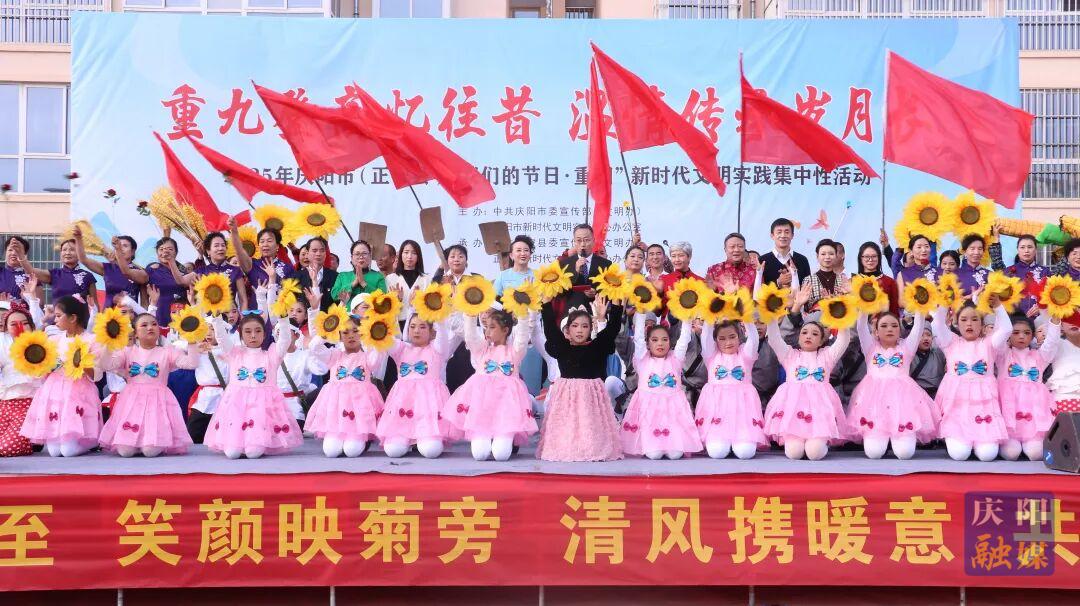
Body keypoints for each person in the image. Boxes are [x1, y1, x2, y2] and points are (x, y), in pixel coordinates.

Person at [762, 284, 851, 461]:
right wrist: (772, 311)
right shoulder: (789, 355)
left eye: (815, 334)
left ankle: (819, 442)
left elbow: (844, 338)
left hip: (819, 414)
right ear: (799, 337)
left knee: (815, 453)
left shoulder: (827, 356)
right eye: (804, 332)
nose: (808, 336)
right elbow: (773, 337)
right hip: (793, 413)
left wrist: (838, 310)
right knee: (793, 453)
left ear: (822, 340)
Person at [97, 313, 200, 457]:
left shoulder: (168, 352)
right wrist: (108, 342)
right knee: (125, 452)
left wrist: (192, 341)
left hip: (157, 402)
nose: (150, 327)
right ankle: (135, 441)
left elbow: (192, 363)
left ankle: (151, 440)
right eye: (144, 325)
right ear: (135, 333)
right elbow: (105, 365)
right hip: (132, 402)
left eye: (154, 324)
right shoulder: (127, 352)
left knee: (150, 451)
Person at [203, 311, 301, 459]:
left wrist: (283, 318)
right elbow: (221, 338)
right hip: (237, 407)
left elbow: (285, 339)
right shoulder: (234, 353)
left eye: (258, 331)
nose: (253, 336)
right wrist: (216, 319)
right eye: (248, 332)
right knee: (232, 454)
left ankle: (256, 443)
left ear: (265, 334)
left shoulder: (272, 355)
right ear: (241, 335)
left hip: (262, 409)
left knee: (253, 453)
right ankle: (238, 442)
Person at [442, 309, 537, 462]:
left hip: (506, 410)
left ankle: (505, 438)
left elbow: (523, 336)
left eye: (492, 327)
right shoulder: (482, 350)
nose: (487, 331)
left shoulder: (515, 351)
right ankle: (486, 437)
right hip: (482, 410)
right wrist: (470, 314)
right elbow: (471, 336)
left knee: (501, 455)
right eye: (486, 327)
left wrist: (524, 314)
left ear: (505, 330)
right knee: (480, 455)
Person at [536, 296, 624, 462]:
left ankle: (592, 448)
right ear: (567, 330)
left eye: (584, 326)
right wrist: (546, 304)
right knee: (567, 427)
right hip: (566, 397)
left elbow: (612, 329)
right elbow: (550, 329)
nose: (579, 330)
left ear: (591, 329)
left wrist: (616, 305)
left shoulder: (596, 348)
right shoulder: (562, 348)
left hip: (591, 398)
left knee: (590, 427)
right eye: (575, 326)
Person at [846, 311, 939, 459]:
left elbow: (918, 325)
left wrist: (920, 307)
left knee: (905, 453)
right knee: (874, 453)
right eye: (884, 326)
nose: (889, 329)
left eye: (894, 326)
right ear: (876, 331)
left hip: (903, 405)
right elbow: (861, 326)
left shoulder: (907, 347)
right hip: (873, 405)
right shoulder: (870, 347)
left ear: (900, 330)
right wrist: (865, 305)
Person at [19, 295, 103, 457]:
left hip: (78, 390)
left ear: (72, 318)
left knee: (68, 451)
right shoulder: (54, 340)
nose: (55, 319)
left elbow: (96, 374)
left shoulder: (91, 340)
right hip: (54, 389)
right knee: (54, 452)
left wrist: (80, 362)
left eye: (58, 316)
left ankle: (90, 442)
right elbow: (43, 369)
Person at [931, 296, 1011, 461]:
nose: (969, 324)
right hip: (956, 409)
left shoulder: (989, 343)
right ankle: (959, 440)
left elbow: (1006, 329)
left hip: (984, 408)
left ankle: (979, 442)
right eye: (964, 319)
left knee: (988, 455)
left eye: (975, 319)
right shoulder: (950, 342)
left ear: (981, 324)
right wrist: (945, 302)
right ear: (956, 323)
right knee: (960, 454)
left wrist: (997, 306)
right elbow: (937, 325)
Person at [619, 311, 701, 460]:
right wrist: (641, 312)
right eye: (655, 340)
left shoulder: (676, 358)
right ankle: (651, 445)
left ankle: (672, 443)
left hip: (672, 411)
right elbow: (638, 338)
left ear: (670, 342)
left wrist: (687, 318)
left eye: (664, 339)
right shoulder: (642, 359)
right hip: (649, 414)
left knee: (675, 454)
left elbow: (684, 339)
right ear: (648, 343)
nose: (660, 343)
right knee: (654, 454)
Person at [305, 310, 385, 458]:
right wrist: (328, 332)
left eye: (355, 331)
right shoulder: (334, 355)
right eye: (345, 332)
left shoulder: (367, 357)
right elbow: (314, 347)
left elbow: (378, 357)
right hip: (337, 415)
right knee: (331, 452)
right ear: (339, 336)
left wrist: (373, 337)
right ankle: (340, 437)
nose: (351, 335)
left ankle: (363, 439)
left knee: (351, 451)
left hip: (359, 413)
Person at [375, 314, 455, 458]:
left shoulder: (437, 349)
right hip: (403, 407)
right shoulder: (401, 348)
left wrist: (438, 313)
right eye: (412, 327)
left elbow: (442, 333)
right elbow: (384, 335)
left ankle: (423, 440)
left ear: (432, 331)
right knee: (393, 451)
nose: (416, 330)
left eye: (422, 327)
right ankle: (408, 440)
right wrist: (385, 312)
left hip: (429, 408)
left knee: (431, 451)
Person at [694, 318, 768, 459]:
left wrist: (746, 316)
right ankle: (725, 443)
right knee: (717, 452)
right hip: (717, 411)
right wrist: (710, 314)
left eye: (732, 337)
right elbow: (706, 335)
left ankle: (737, 442)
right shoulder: (711, 355)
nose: (728, 342)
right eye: (722, 339)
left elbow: (753, 338)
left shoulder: (746, 355)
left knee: (745, 453)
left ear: (739, 337)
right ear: (715, 341)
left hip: (743, 413)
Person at [998, 312, 1062, 461]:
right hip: (1008, 420)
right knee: (1011, 454)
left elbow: (1052, 343)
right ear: (1008, 335)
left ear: (1032, 336)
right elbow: (998, 335)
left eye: (1027, 333)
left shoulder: (1040, 357)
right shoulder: (1002, 355)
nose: (1021, 336)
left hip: (1034, 421)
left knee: (1036, 454)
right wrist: (998, 308)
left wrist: (1055, 321)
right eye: (1016, 333)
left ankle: (1029, 443)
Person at [0, 282, 45, 456]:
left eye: (25, 323)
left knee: (7, 448)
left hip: (29, 404)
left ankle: (30, 442)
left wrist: (32, 298)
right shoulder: (3, 341)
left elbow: (36, 319)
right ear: (5, 327)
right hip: (4, 403)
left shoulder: (37, 341)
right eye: (13, 324)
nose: (20, 327)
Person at [168, 231, 249, 310]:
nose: (221, 248)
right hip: (207, 317)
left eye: (223, 245)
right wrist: (171, 260)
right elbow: (181, 281)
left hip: (230, 316)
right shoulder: (202, 271)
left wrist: (244, 317)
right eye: (216, 246)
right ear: (208, 251)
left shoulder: (235, 270)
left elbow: (243, 300)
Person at [185, 323, 228, 444]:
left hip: (223, 396)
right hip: (204, 398)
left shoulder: (229, 350)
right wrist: (195, 347)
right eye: (205, 329)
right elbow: (176, 346)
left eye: (213, 329)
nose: (208, 333)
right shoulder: (198, 350)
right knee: (193, 434)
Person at [77, 232, 146, 306]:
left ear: (132, 251)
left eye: (125, 246)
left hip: (130, 312)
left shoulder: (139, 271)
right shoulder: (107, 268)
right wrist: (78, 239)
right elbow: (83, 260)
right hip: (108, 312)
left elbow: (144, 302)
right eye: (118, 246)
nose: (121, 248)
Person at [989, 230, 1049, 314]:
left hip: (1040, 319)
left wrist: (1042, 308)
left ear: (1036, 249)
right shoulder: (1009, 271)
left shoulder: (1045, 271)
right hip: (1015, 318)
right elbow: (996, 263)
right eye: (1022, 247)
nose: (1026, 250)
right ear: (1017, 250)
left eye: (1030, 247)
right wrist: (996, 238)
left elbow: (1052, 297)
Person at [19, 237, 95, 302]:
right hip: (58, 315)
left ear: (80, 253)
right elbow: (30, 271)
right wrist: (20, 255)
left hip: (83, 315)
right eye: (64, 250)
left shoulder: (88, 276)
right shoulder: (55, 274)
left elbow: (94, 303)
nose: (67, 253)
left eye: (72, 250)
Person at [560, 224, 612, 310]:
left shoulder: (606, 264)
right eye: (579, 240)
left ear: (593, 241)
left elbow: (611, 293)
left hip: (596, 313)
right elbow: (561, 293)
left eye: (587, 240)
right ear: (574, 242)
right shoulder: (565, 264)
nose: (583, 244)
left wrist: (596, 293)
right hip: (573, 313)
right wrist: (576, 272)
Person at [144, 237, 189, 331]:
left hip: (181, 318)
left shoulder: (183, 272)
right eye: (161, 249)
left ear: (176, 253)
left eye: (170, 249)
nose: (165, 252)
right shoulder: (152, 270)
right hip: (160, 317)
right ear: (157, 253)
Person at [384, 239, 432, 326]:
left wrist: (419, 301)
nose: (409, 256)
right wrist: (397, 300)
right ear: (400, 255)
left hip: (419, 324)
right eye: (406, 252)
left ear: (418, 256)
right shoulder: (390, 279)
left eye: (414, 253)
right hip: (397, 325)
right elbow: (386, 308)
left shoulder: (426, 279)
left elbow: (430, 307)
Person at [331, 240, 387, 305]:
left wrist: (363, 283)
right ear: (352, 258)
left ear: (370, 256)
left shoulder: (378, 276)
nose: (361, 257)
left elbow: (382, 298)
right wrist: (353, 284)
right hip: (347, 311)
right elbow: (334, 295)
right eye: (357, 254)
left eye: (364, 253)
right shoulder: (342, 276)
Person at [760, 218, 811, 288]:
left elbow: (808, 286)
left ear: (792, 235)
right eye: (779, 232)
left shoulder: (802, 260)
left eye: (787, 232)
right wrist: (778, 282)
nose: (783, 235)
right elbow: (758, 289)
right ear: (772, 236)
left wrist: (794, 278)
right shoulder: (762, 260)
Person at [803, 239, 847, 314]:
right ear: (817, 256)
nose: (827, 257)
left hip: (839, 319)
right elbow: (805, 308)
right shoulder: (808, 280)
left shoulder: (842, 280)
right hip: (815, 319)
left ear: (836, 256)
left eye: (831, 254)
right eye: (823, 254)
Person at [855, 242, 899, 316]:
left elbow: (894, 312)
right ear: (860, 258)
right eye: (866, 256)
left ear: (879, 258)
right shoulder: (852, 281)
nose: (870, 259)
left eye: (874, 256)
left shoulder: (890, 282)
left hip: (883, 322)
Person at [295, 237, 338, 312]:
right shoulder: (295, 278)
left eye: (322, 251)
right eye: (314, 251)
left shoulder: (336, 277)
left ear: (325, 253)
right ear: (307, 253)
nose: (318, 254)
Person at [1049, 313, 1080, 413]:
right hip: (1063, 402)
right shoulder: (1055, 344)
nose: (1073, 323)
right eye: (1068, 319)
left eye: (1077, 318)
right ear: (1061, 326)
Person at [910, 324, 946, 399]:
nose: (926, 338)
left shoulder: (939, 353)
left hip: (937, 396)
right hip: (917, 397)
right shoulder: (909, 356)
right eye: (921, 335)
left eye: (929, 335)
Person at [0, 236, 36, 301]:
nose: (13, 253)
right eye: (10, 250)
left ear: (25, 254)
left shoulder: (32, 275)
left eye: (17, 250)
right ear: (5, 252)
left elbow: (40, 303)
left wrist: (28, 298)